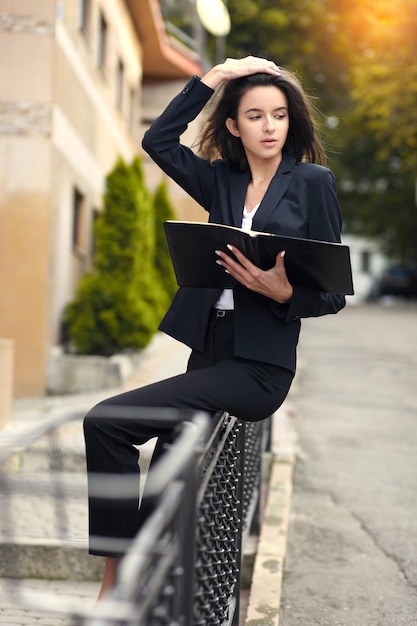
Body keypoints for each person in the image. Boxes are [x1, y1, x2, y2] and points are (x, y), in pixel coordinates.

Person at [83, 56, 346, 598]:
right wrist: (214, 77)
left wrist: (285, 293)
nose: (270, 126)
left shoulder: (313, 183)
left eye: (278, 114)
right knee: (164, 473)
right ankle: (130, 589)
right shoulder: (222, 181)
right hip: (208, 350)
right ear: (234, 125)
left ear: (291, 121)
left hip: (259, 366)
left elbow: (333, 293)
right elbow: (158, 140)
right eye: (255, 115)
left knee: (107, 421)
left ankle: (115, 583)